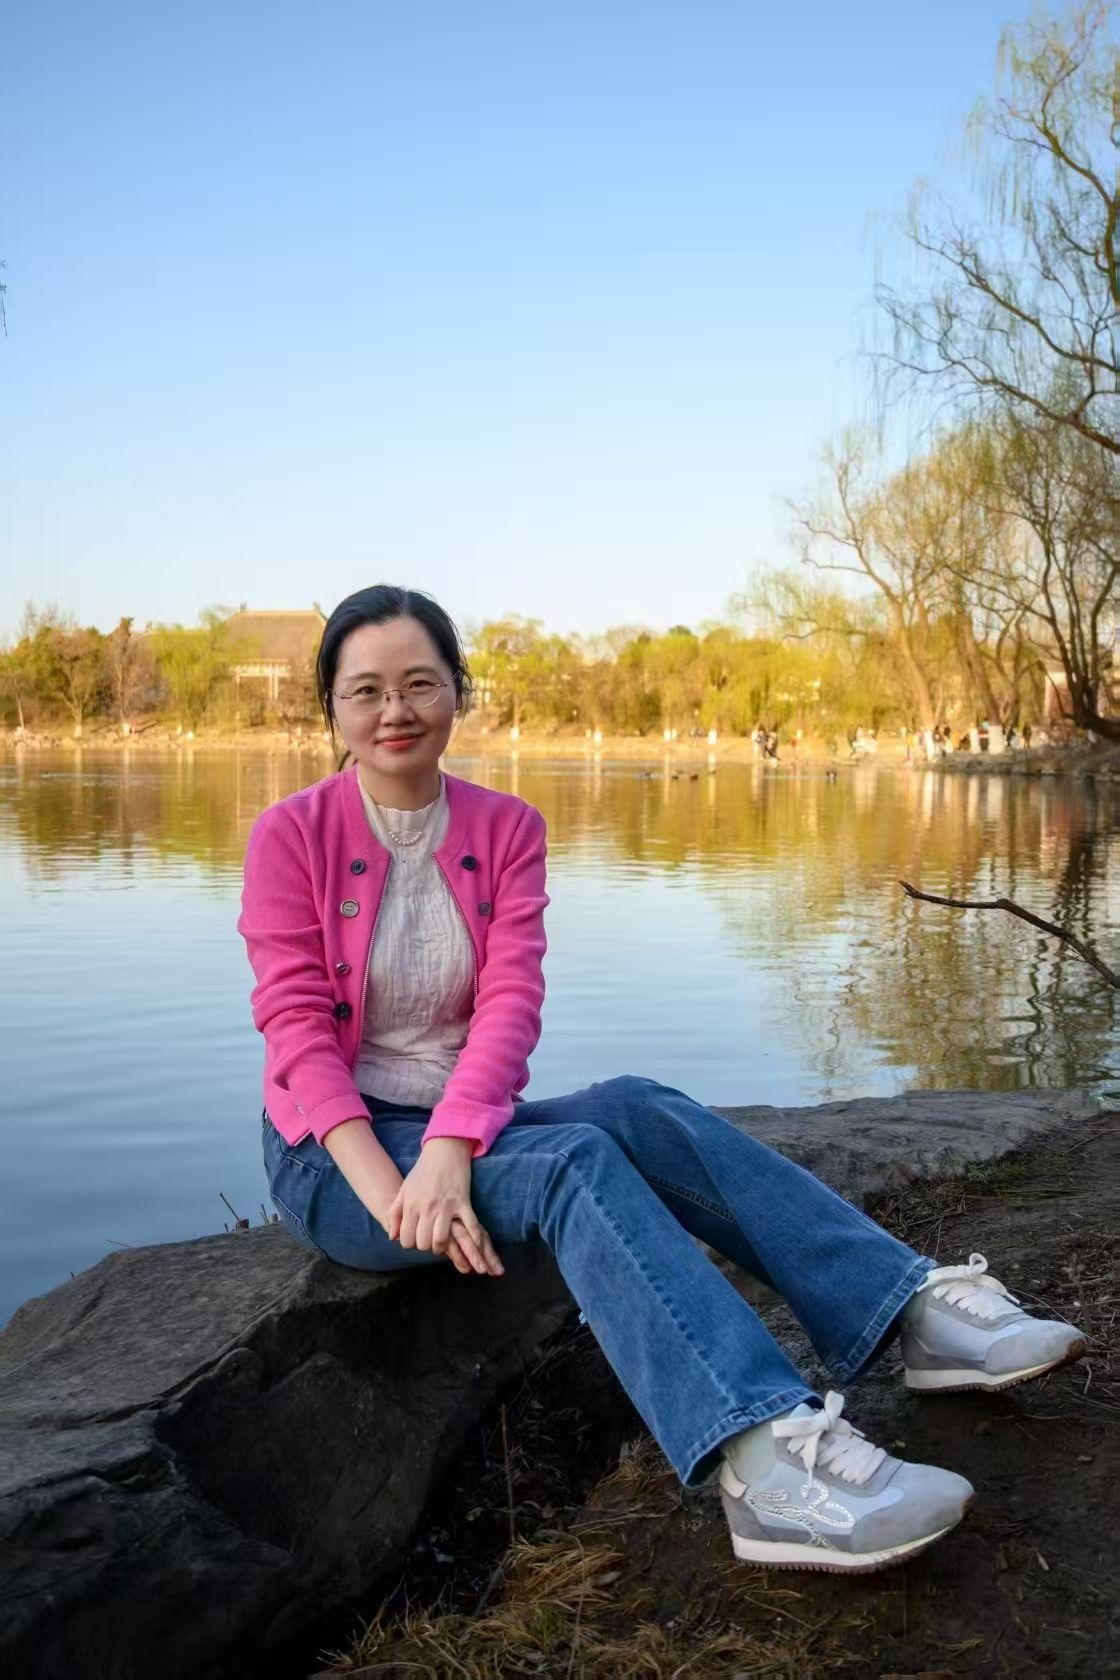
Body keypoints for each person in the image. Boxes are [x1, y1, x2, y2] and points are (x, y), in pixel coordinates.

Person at [239, 586, 1087, 1577]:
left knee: (635, 1107)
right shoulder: (289, 835)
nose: (396, 711)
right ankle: (764, 1465)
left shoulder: (505, 827)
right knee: (570, 1164)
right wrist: (397, 1191)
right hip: (334, 1158)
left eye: (420, 683)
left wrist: (450, 1148)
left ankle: (906, 1311)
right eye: (367, 690)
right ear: (332, 708)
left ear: (458, 692)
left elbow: (509, 1006)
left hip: (455, 1128)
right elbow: (295, 1031)